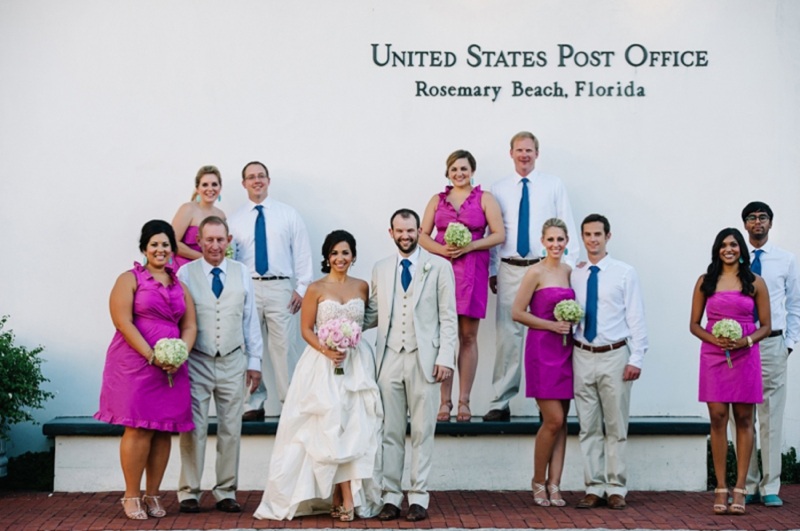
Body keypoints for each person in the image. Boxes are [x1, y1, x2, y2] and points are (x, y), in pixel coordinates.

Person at [254, 230, 383, 521]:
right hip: (322, 363)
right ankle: (342, 495)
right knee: (328, 424)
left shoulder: (362, 287)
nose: (340, 258)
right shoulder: (314, 288)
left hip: (356, 364)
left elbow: (368, 320)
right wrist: (328, 350)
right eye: (335, 253)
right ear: (327, 256)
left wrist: (350, 341)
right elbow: (306, 330)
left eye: (346, 252)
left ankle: (344, 494)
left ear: (353, 256)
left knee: (354, 425)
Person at [95, 220, 197, 520]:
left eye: (166, 244)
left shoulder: (180, 284)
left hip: (172, 367)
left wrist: (180, 354)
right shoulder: (129, 279)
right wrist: (151, 355)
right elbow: (122, 321)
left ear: (172, 249)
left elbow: (190, 325)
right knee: (138, 427)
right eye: (154, 244)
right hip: (135, 363)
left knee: (163, 430)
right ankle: (131, 495)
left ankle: (153, 494)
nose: (160, 249)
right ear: (144, 248)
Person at [364, 209, 458, 522]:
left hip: (426, 360)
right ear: (390, 232)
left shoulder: (440, 266)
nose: (405, 236)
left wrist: (446, 357)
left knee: (422, 432)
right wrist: (341, 325)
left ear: (419, 231)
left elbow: (448, 316)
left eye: (410, 230)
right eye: (399, 231)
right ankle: (391, 496)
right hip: (389, 358)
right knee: (389, 432)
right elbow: (374, 312)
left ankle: (419, 497)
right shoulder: (381, 268)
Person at [484, 131, 578, 421]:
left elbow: (567, 225)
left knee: (546, 333)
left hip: (546, 268)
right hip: (511, 266)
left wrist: (568, 268)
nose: (524, 155)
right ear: (510, 153)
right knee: (508, 336)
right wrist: (492, 268)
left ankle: (545, 402)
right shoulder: (498, 189)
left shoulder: (553, 185)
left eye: (529, 150)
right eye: (519, 150)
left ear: (537, 153)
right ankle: (501, 401)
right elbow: (493, 231)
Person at [176, 216, 263, 513]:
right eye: (209, 239)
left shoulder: (241, 273)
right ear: (199, 241)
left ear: (228, 242)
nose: (215, 245)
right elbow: (179, 318)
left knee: (230, 428)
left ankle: (226, 490)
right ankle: (189, 491)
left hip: (233, 360)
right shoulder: (186, 273)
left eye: (220, 239)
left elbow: (250, 320)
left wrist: (255, 361)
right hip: (197, 360)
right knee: (194, 428)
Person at [419, 150, 505, 422]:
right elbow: (422, 236)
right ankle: (444, 402)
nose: (459, 173)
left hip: (473, 271)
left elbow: (499, 234)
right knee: (443, 335)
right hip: (441, 272)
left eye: (464, 169)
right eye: (454, 169)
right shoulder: (437, 200)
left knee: (467, 336)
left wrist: (470, 246)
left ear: (472, 171)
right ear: (448, 172)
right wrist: (444, 250)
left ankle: (464, 401)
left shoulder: (485, 198)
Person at [691, 227, 771, 515]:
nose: (729, 249)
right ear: (717, 249)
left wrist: (745, 341)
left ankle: (740, 488)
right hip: (713, 354)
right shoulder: (705, 281)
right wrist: (716, 340)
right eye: (724, 245)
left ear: (741, 249)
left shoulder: (755, 282)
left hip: (745, 354)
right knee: (717, 417)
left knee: (744, 418)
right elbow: (694, 324)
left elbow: (766, 325)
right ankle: (721, 488)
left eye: (734, 244)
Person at [571, 214, 647, 511]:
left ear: (608, 236)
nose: (592, 239)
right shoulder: (575, 273)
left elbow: (636, 317)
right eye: (588, 234)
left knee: (616, 425)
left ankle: (616, 487)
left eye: (598, 234)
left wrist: (637, 357)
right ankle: (593, 487)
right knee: (588, 426)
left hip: (615, 355)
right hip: (581, 353)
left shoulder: (624, 273)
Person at [228, 161, 313, 420]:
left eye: (261, 176)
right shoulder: (234, 220)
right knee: (246, 346)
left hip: (280, 286)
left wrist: (301, 287)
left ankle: (291, 404)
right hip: (247, 287)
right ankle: (253, 404)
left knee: (284, 346)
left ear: (268, 180)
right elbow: (230, 260)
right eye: (251, 177)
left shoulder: (288, 214)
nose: (257, 181)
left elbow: (302, 252)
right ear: (243, 183)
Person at [729, 202, 800, 507]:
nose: (757, 222)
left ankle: (770, 485)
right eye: (751, 218)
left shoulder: (786, 260)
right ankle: (748, 482)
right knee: (742, 415)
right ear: (744, 225)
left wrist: (788, 344)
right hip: (741, 345)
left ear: (770, 223)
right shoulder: (734, 260)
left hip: (772, 344)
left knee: (771, 415)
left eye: (763, 217)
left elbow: (795, 305)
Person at [511, 218, 574, 507]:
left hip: (567, 351)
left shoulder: (571, 271)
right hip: (542, 351)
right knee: (554, 419)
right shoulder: (535, 272)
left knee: (563, 424)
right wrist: (551, 326)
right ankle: (538, 480)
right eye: (550, 240)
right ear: (542, 241)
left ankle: (555, 484)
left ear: (567, 241)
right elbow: (517, 312)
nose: (555, 245)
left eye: (560, 239)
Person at [171, 165, 226, 270]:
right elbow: (172, 243)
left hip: (210, 270)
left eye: (214, 184)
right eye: (205, 185)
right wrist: (203, 258)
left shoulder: (221, 215)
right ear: (197, 188)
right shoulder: (187, 209)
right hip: (184, 268)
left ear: (220, 187)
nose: (210, 189)